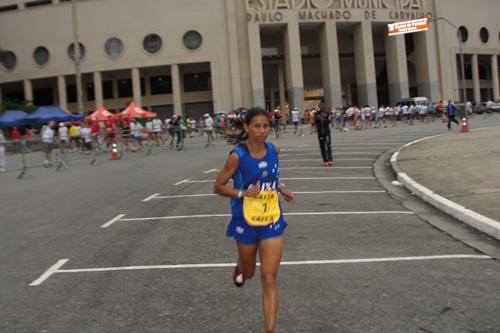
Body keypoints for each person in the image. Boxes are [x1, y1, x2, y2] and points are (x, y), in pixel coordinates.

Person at [213, 107, 294, 333]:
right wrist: (242, 193)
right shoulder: (237, 156)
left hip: (271, 219)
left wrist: (282, 189)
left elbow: (271, 176)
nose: (261, 131)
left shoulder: (274, 149)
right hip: (245, 221)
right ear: (247, 127)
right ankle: (241, 265)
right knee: (248, 273)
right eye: (256, 126)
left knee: (268, 278)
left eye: (265, 126)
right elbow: (217, 187)